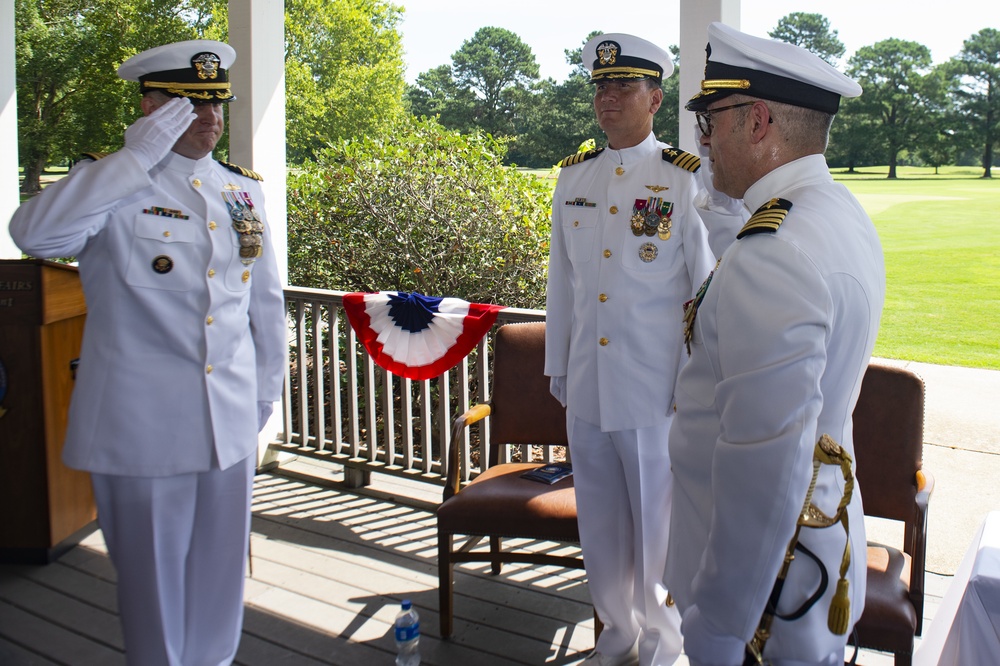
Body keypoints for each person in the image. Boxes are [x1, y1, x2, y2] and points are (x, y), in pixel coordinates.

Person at [9, 40, 287, 665]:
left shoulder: (241, 191)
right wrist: (135, 156)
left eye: (218, 107)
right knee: (154, 588)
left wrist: (264, 394)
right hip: (141, 427)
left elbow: (264, 306)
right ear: (153, 105)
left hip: (229, 421)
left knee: (220, 578)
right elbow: (34, 234)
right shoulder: (110, 181)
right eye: (193, 107)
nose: (212, 121)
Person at [665, 22, 886, 666]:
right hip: (814, 545)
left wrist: (723, 624)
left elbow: (762, 462)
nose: (703, 143)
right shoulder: (835, 211)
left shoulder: (776, 252)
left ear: (757, 121)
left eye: (712, 121)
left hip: (765, 591)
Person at [544, 33, 740, 666]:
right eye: (601, 85)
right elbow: (562, 287)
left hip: (656, 388)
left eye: (624, 86)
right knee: (599, 522)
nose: (609, 97)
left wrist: (694, 387)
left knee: (659, 527)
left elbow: (703, 291)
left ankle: (662, 640)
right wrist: (559, 371)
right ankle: (617, 632)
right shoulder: (575, 178)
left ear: (655, 99)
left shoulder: (683, 181)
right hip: (589, 384)